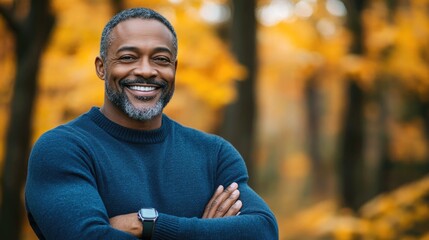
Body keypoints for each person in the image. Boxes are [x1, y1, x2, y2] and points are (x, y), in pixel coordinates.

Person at [25, 7, 278, 240]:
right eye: (128, 57)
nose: (146, 70)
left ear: (174, 69)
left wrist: (148, 224)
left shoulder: (214, 154)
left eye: (161, 59)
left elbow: (263, 230)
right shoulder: (63, 149)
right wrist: (207, 233)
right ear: (101, 68)